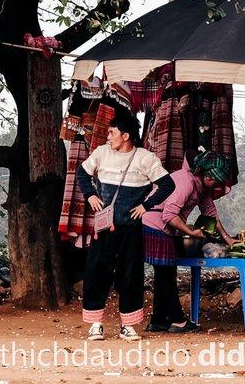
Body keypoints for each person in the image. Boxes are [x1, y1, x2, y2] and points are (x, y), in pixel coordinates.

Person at [74, 110, 172, 341]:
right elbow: (82, 172)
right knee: (96, 272)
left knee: (130, 275)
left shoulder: (145, 158)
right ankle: (95, 324)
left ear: (125, 136)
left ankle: (127, 326)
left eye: (111, 133)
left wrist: (146, 206)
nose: (107, 137)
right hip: (103, 228)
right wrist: (90, 195)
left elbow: (167, 185)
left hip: (130, 229)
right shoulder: (101, 153)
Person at [144, 149, 238, 332]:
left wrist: (228, 239)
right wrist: (191, 232)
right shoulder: (184, 182)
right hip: (154, 224)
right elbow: (169, 215)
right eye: (215, 181)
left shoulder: (202, 187)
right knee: (166, 275)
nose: (215, 185)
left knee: (165, 274)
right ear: (208, 176)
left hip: (164, 227)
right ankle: (177, 320)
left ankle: (158, 321)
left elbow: (210, 213)